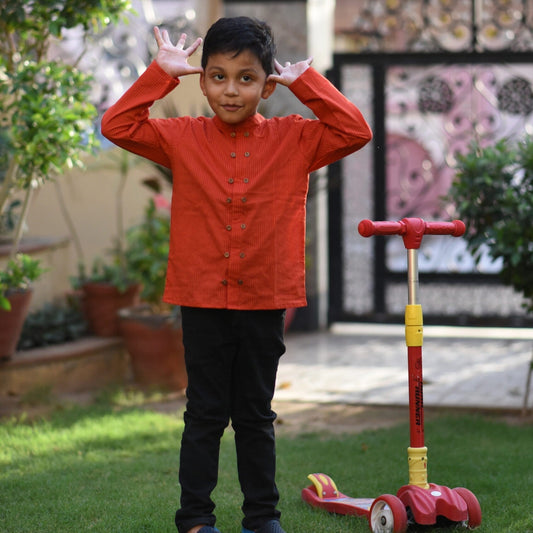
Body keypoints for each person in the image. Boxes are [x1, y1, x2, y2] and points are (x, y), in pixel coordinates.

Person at [101, 16, 372, 533]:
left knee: (255, 414)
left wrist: (306, 82)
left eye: (246, 78)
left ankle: (261, 518)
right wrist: (160, 75)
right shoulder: (180, 137)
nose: (231, 90)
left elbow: (356, 130)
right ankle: (196, 518)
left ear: (266, 85)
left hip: (266, 298)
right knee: (203, 413)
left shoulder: (295, 139)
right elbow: (117, 126)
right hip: (201, 297)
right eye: (218, 76)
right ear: (201, 82)